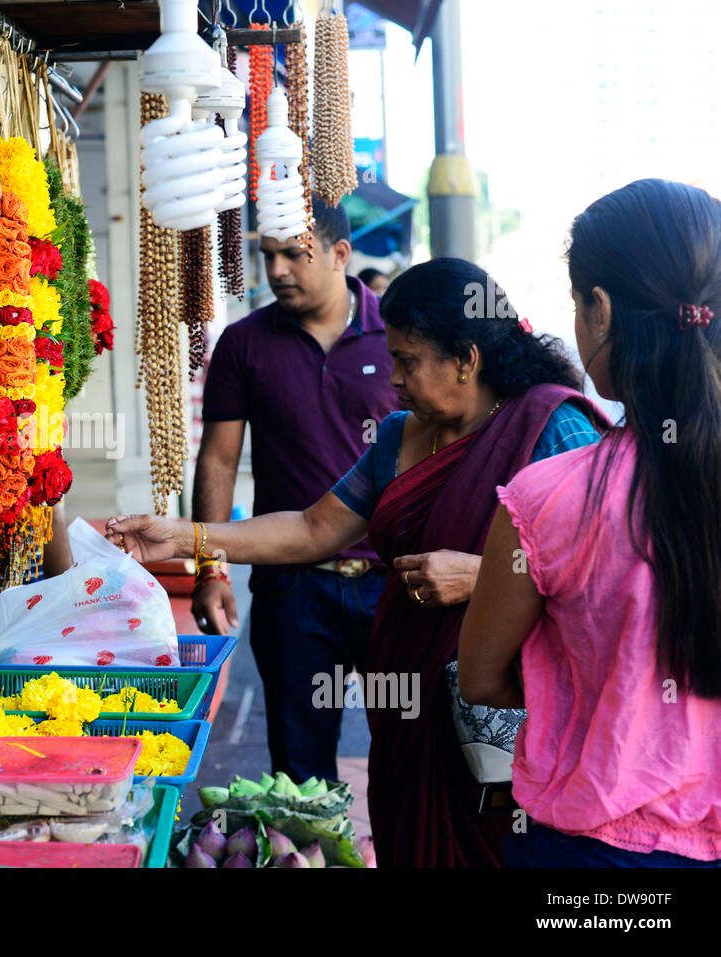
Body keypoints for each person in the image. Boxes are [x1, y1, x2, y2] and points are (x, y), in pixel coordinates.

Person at [108, 257, 607, 867]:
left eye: (409, 361)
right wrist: (187, 540)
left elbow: (601, 577)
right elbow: (311, 529)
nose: (393, 378)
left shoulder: (551, 429)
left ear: (466, 359)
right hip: (407, 707)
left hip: (506, 715)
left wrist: (480, 577)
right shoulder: (398, 437)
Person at [460, 179, 721, 868]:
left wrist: (591, 686)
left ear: (600, 311)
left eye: (578, 304)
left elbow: (482, 676)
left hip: (593, 859)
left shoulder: (548, 498)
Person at [195, 198, 397, 784]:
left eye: (293, 254)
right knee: (299, 774)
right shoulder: (243, 344)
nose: (277, 270)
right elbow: (218, 460)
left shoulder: (399, 336)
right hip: (292, 588)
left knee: (408, 756)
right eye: (267, 256)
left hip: (394, 583)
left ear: (339, 255)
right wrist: (211, 570)